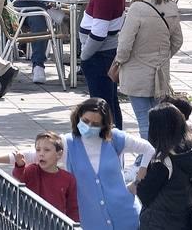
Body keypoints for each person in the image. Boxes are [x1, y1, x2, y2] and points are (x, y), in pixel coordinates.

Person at [109, 0, 183, 141]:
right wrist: (163, 56)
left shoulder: (137, 9)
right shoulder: (170, 6)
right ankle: (161, 156)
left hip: (137, 72)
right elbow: (177, 41)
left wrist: (119, 61)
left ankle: (148, 160)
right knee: (160, 121)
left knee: (144, 120)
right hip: (161, 73)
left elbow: (125, 45)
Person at [66, 97, 154, 230]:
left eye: (95, 124)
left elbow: (149, 149)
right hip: (91, 223)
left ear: (103, 125)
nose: (89, 126)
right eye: (85, 121)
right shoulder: (67, 143)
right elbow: (37, 154)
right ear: (78, 116)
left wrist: (138, 180)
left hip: (127, 217)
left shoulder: (114, 138)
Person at [136, 103, 192, 230]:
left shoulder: (164, 161)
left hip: (159, 222)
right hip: (186, 217)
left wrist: (140, 176)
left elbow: (144, 194)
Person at [0, 132, 80, 222]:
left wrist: (74, 223)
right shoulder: (32, 170)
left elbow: (72, 207)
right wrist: (20, 165)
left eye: (47, 150)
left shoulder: (68, 178)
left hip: (55, 223)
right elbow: (19, 177)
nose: (41, 154)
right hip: (31, 221)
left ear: (59, 154)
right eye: (38, 150)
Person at [80, 0, 127, 127]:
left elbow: (98, 34)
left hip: (98, 56)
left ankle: (110, 147)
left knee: (103, 109)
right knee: (110, 105)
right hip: (104, 54)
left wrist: (84, 56)